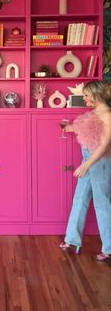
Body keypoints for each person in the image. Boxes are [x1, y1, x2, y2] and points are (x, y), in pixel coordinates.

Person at [60, 80, 111, 262]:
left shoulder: (107, 114)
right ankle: (72, 240)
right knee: (80, 199)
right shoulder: (96, 112)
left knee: (102, 204)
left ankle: (109, 249)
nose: (84, 98)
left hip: (100, 162)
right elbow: (89, 129)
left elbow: (105, 145)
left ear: (96, 94)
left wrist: (86, 165)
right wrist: (70, 128)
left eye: (87, 95)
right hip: (88, 159)